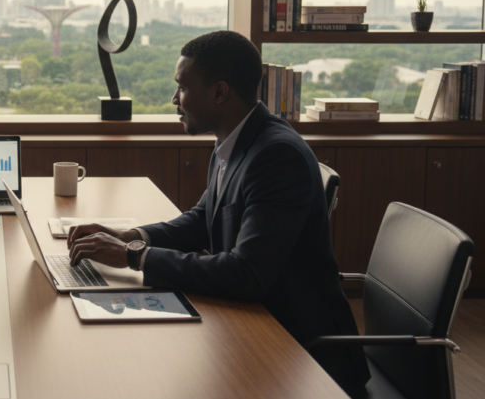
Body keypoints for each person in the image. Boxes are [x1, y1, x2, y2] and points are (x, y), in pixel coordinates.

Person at [67, 31, 371, 398]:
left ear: (219, 92)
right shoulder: (234, 140)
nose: (173, 99)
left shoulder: (276, 157)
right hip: (254, 323)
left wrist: (135, 257)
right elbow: (202, 219)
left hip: (299, 353)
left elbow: (247, 275)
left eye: (181, 87)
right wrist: (130, 235)